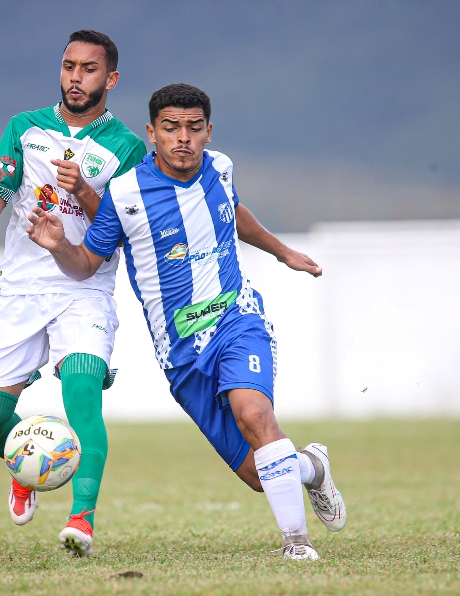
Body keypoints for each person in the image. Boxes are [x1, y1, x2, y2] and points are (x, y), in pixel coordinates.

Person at [26, 84, 346, 560]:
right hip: (181, 353)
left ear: (208, 132)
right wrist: (59, 247)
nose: (183, 139)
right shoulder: (125, 193)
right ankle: (312, 468)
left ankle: (296, 546)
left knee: (255, 415)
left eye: (194, 128)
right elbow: (88, 263)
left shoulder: (221, 166)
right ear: (152, 133)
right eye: (171, 128)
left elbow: (232, 211)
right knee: (260, 475)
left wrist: (284, 253)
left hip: (236, 317)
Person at [0, 30, 146, 557]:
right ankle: (28, 463)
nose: (75, 77)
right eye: (69, 66)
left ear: (109, 79)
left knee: (83, 393)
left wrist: (85, 192)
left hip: (83, 288)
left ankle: (82, 521)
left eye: (88, 69)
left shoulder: (126, 147)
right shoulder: (24, 129)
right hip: (19, 288)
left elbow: (121, 233)